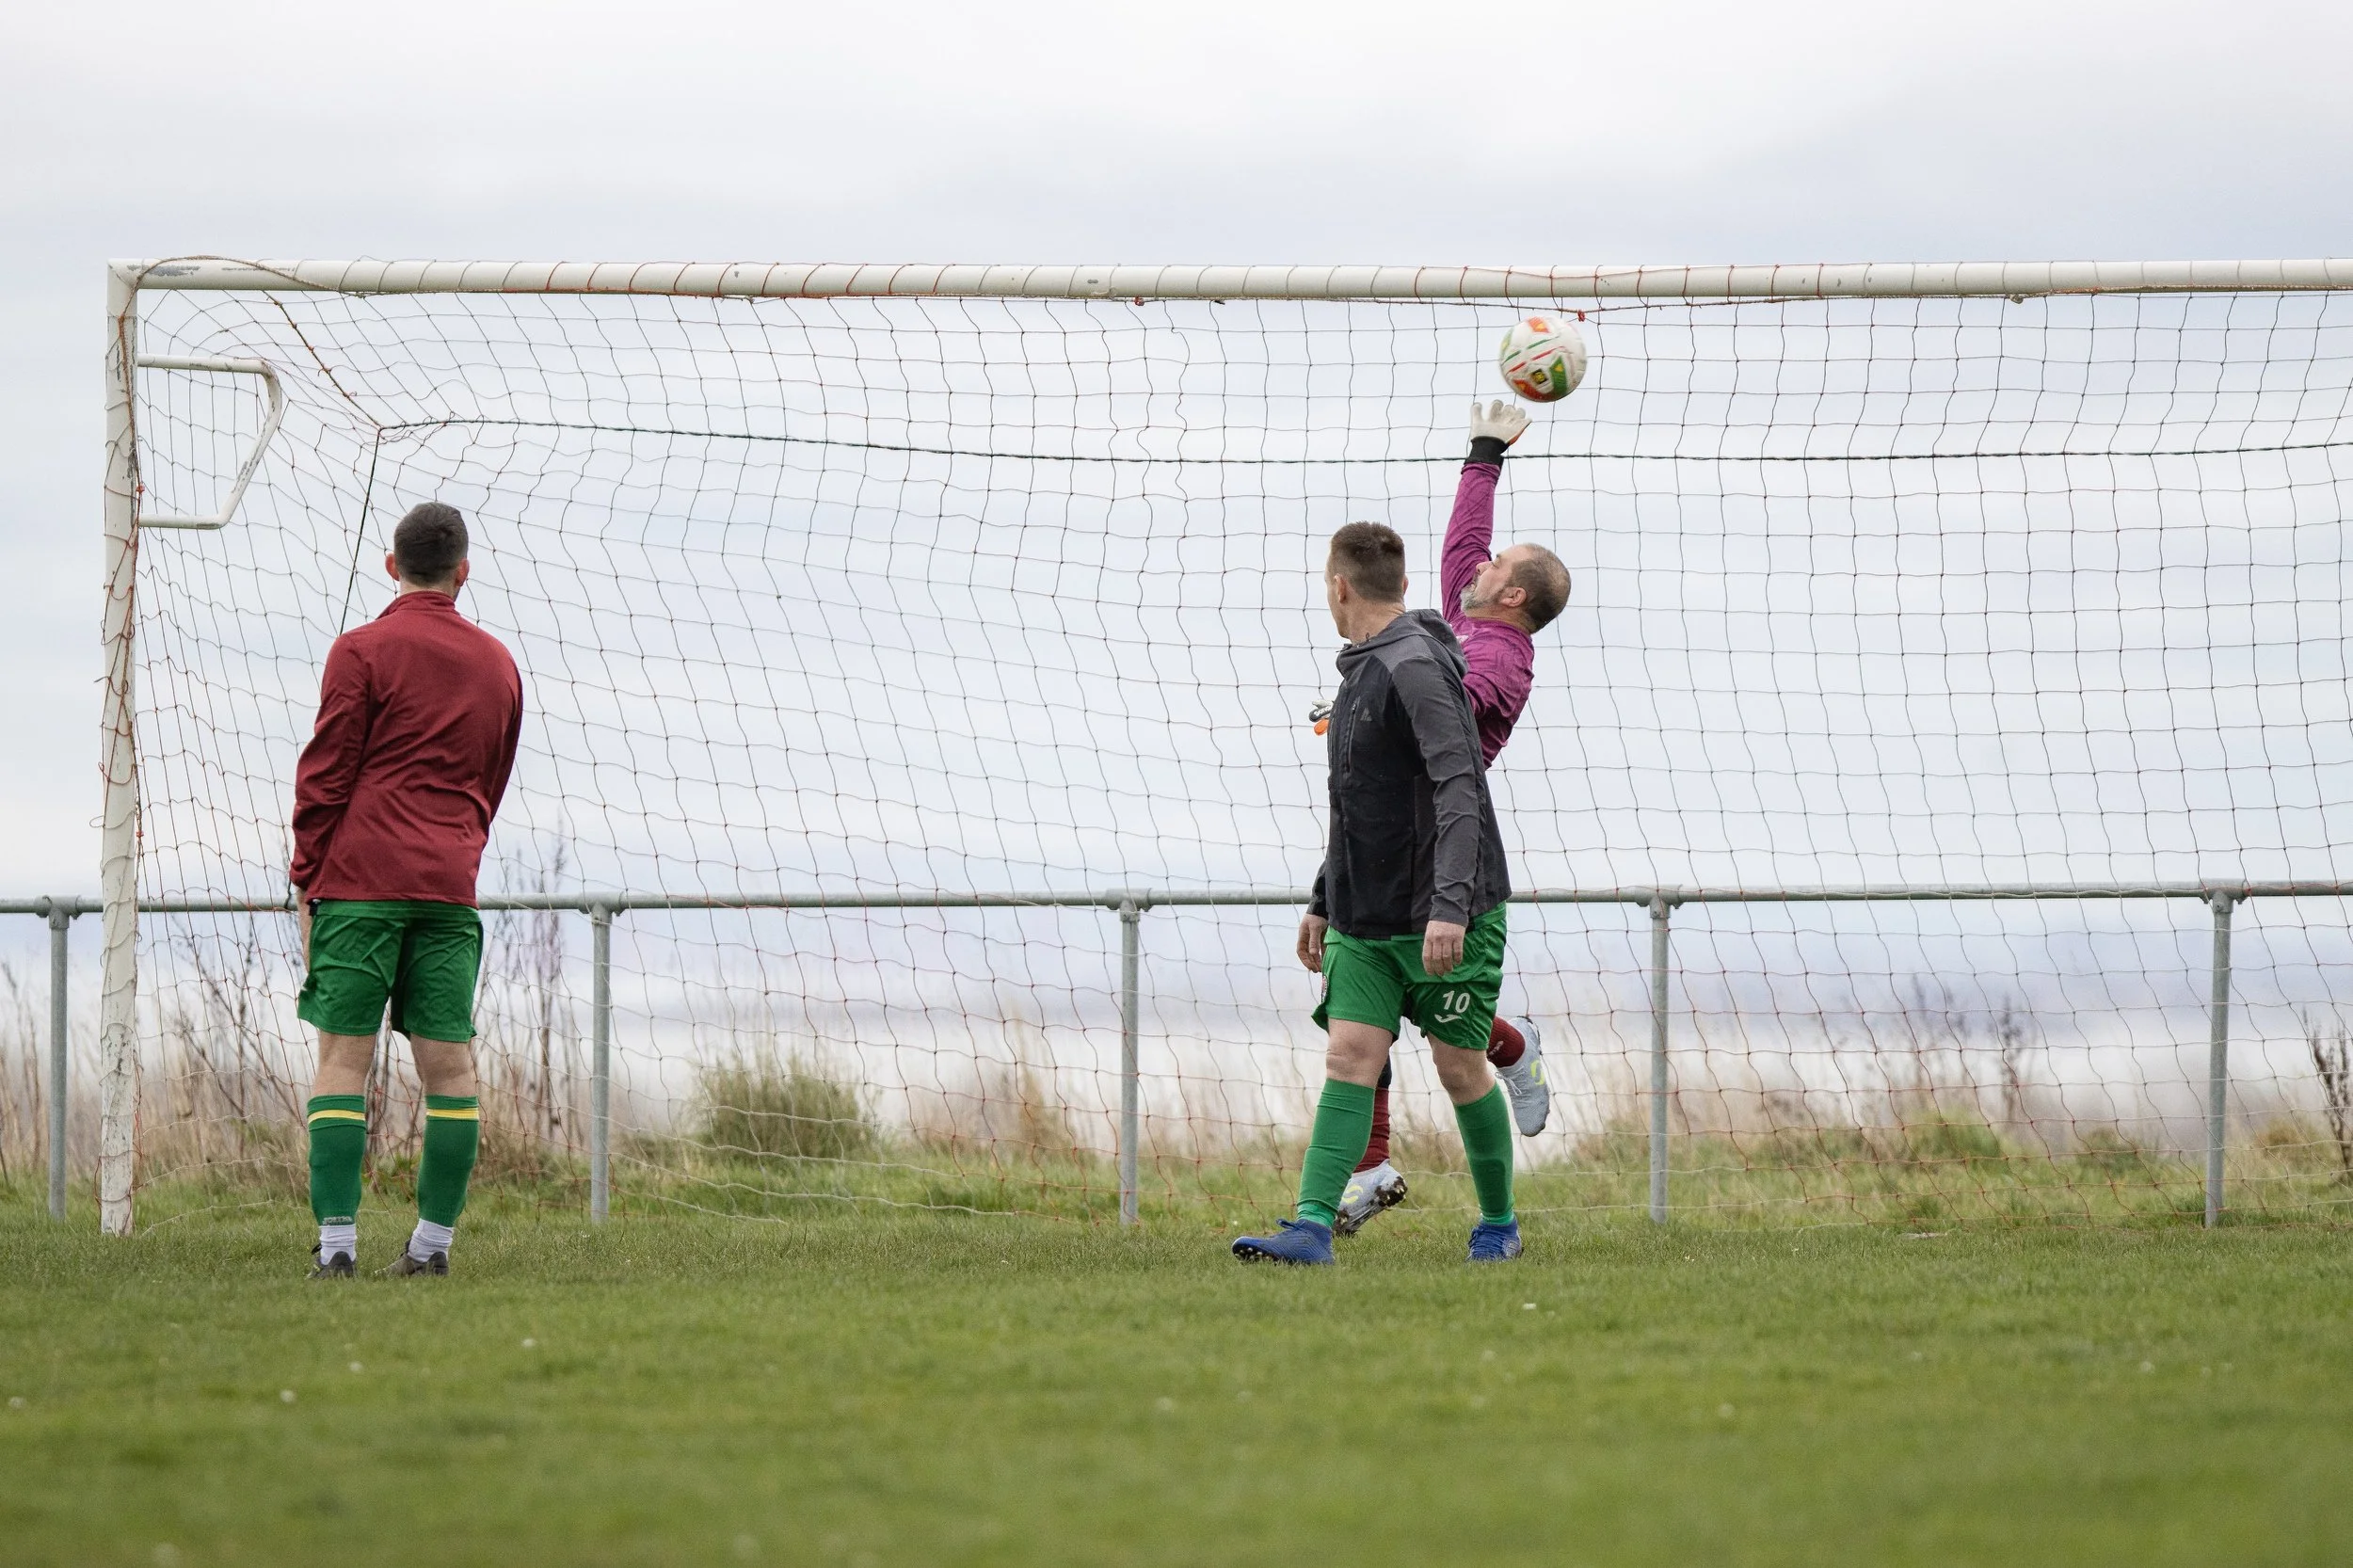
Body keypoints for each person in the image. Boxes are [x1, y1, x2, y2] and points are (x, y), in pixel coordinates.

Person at [1232, 508, 1521, 1266]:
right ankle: (1310, 1228)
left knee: (1460, 1067)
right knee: (1350, 1056)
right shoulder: (1361, 667)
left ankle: (1498, 1226)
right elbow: (1358, 800)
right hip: (1363, 914)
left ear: (1338, 586)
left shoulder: (1417, 666)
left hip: (1444, 911)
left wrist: (1449, 907)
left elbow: (1461, 786)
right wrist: (1325, 897)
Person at [1335, 400, 1573, 1237]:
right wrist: (1484, 456)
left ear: (1510, 592)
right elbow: (1462, 545)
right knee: (1352, 1015)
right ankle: (1370, 1169)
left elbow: (1441, 710)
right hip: (1381, 832)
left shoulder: (1502, 656)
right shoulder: (1464, 615)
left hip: (1445, 846)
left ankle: (1511, 1053)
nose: (1475, 565)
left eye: (1496, 564)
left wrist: (1375, 699)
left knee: (1448, 1042)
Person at [291, 502, 523, 1279]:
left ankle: (337, 1249)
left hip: (361, 882)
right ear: (463, 570)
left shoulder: (359, 651)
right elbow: (492, 779)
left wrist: (306, 877)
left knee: (342, 1063)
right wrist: (457, 848)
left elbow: (326, 773)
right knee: (450, 1069)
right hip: (450, 887)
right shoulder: (498, 665)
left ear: (391, 567)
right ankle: (430, 1249)